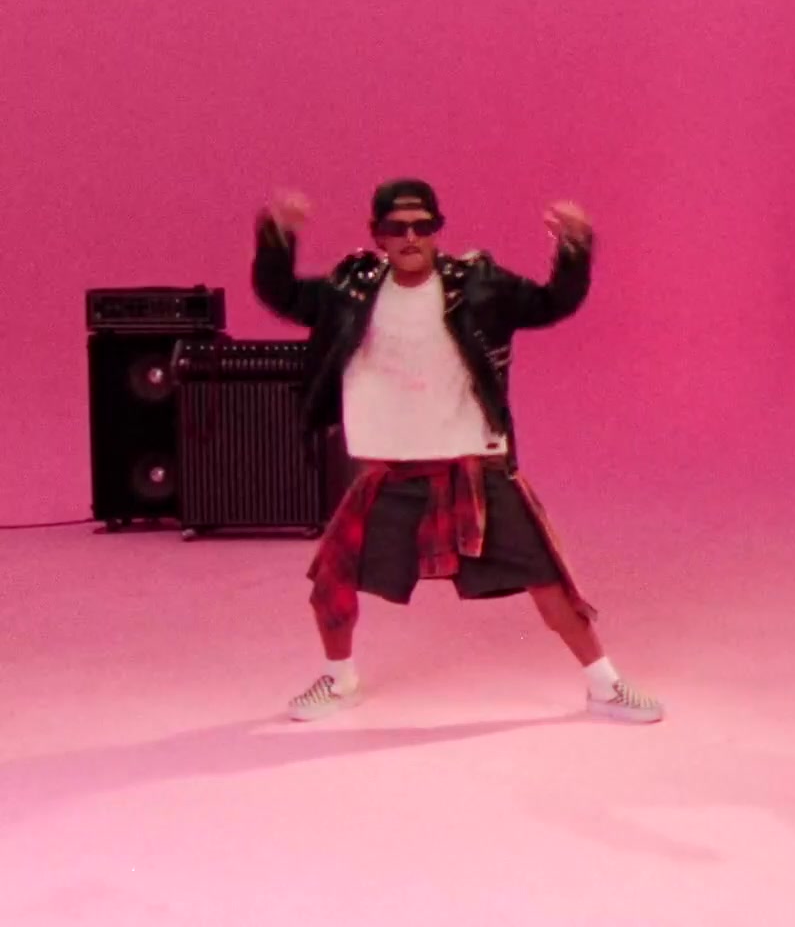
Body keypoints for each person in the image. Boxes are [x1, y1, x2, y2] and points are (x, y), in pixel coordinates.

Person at [251, 178, 662, 724]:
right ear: (378, 235)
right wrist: (277, 236)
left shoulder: (477, 285)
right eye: (397, 228)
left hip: (472, 465)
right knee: (332, 580)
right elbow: (282, 294)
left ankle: (604, 686)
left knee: (548, 579)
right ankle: (339, 679)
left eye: (422, 226)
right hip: (389, 471)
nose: (411, 237)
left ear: (436, 231)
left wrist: (573, 247)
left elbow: (550, 303)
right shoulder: (351, 288)